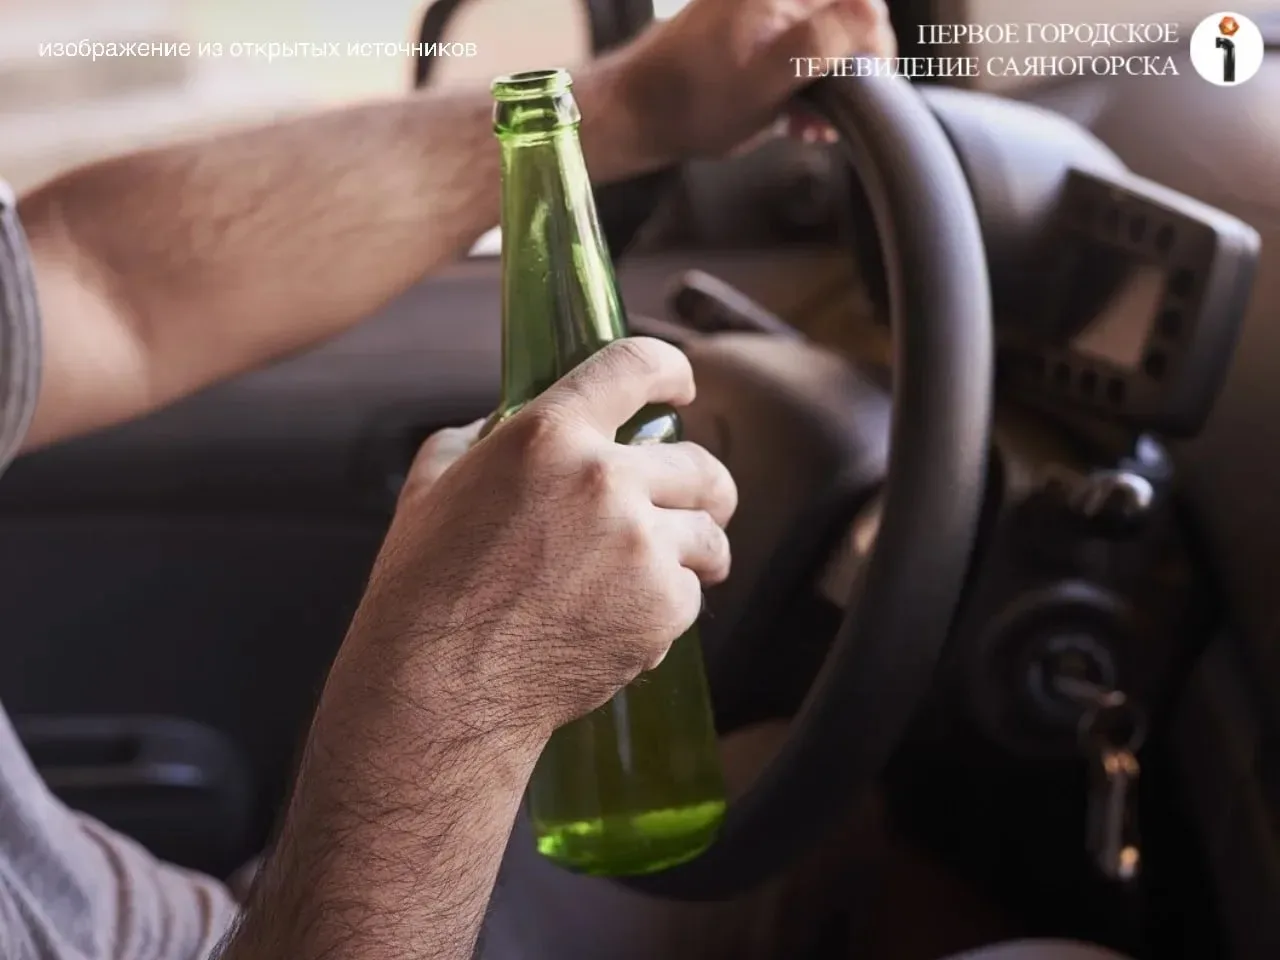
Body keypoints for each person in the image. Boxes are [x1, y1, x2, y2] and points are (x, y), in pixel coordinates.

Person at [0, 0, 1130, 956]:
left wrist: (636, 104)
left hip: (217, 925)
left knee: (845, 832)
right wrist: (464, 683)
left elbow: (99, 283)